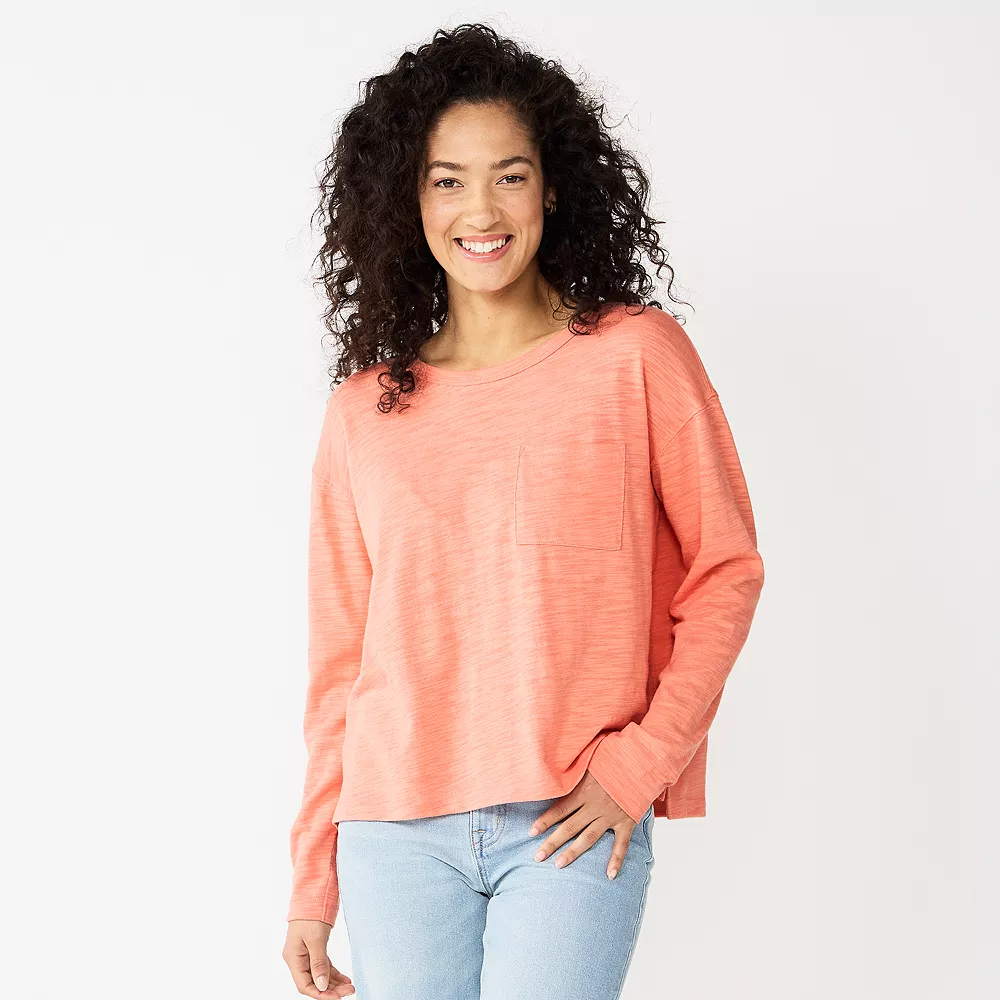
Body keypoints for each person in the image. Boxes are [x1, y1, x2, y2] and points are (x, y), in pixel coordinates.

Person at [281, 22, 765, 1000]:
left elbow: (727, 573)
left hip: (568, 818)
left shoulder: (635, 357)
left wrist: (641, 764)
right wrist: (312, 879)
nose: (481, 209)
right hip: (391, 835)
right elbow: (341, 670)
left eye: (509, 175)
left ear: (552, 187)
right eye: (446, 180)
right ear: (408, 200)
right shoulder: (364, 413)